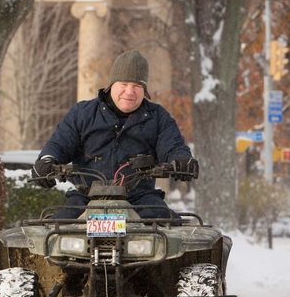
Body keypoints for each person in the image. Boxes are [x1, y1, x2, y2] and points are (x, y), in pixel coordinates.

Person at [32, 49, 198, 220]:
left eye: (137, 86)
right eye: (124, 84)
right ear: (111, 84)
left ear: (145, 90)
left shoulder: (158, 118)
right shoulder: (82, 114)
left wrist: (182, 160)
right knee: (57, 230)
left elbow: (173, 145)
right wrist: (47, 161)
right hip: (86, 197)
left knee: (165, 229)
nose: (129, 92)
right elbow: (59, 144)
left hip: (140, 198)